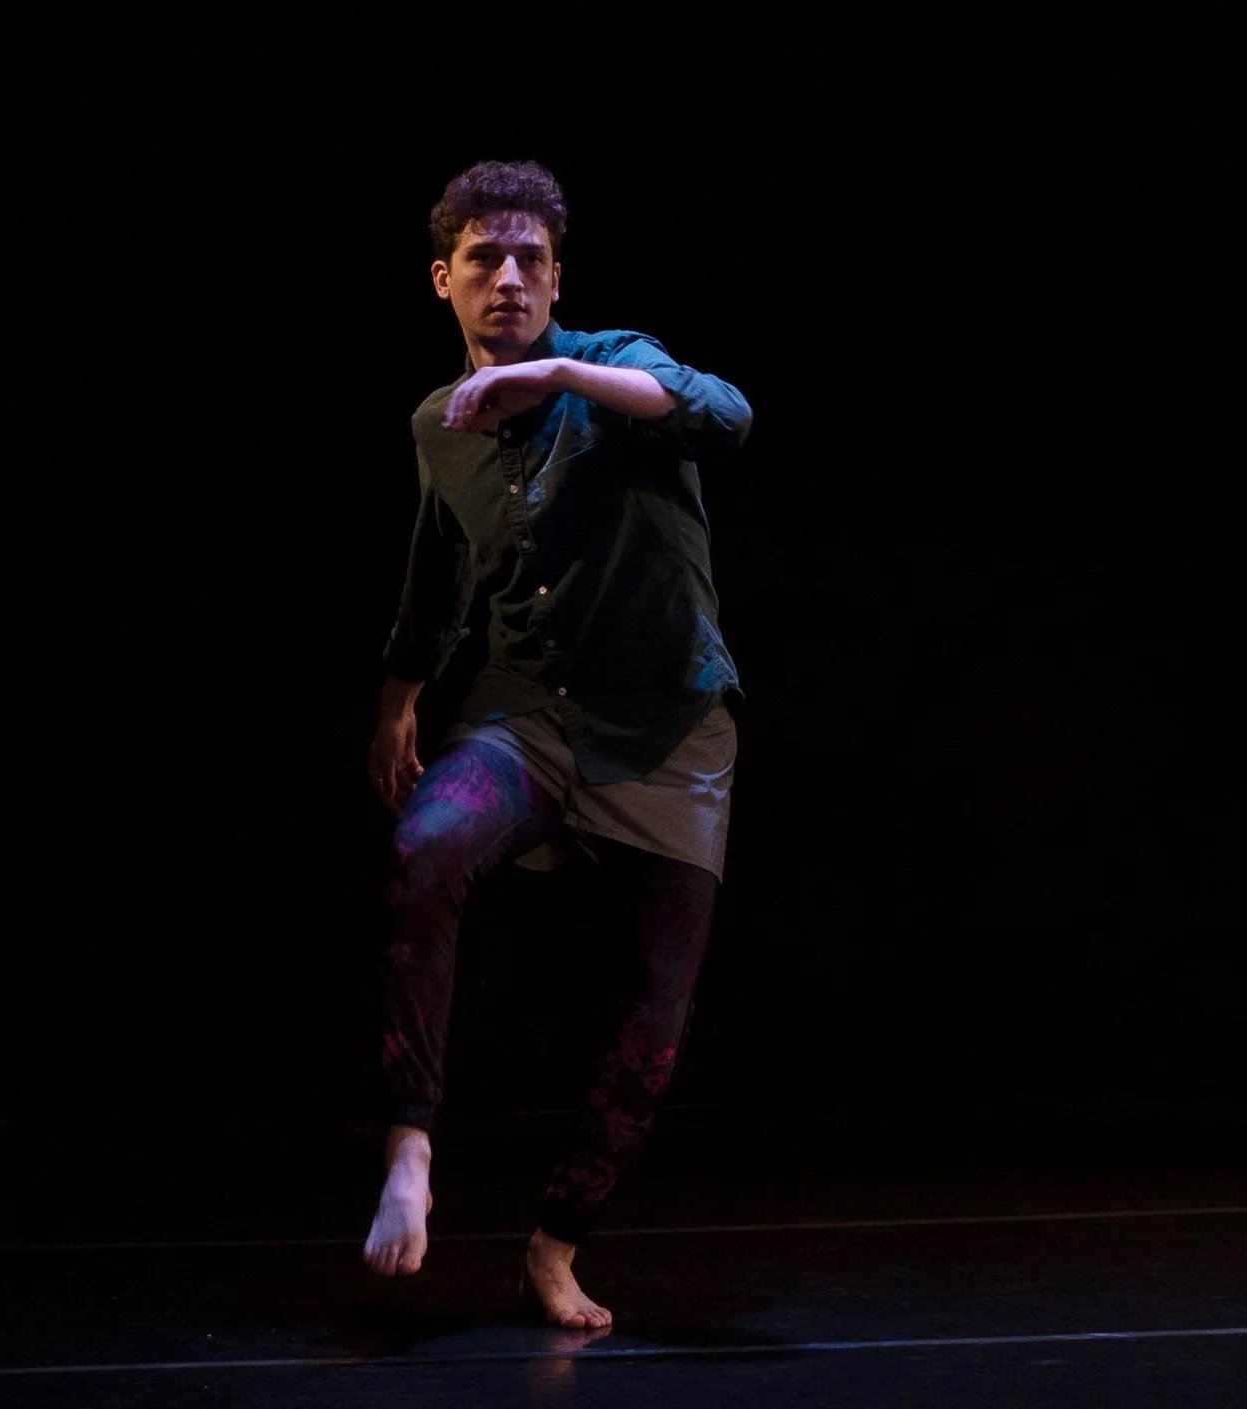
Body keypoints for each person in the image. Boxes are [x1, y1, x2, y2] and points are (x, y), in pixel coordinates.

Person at [360, 157, 753, 1331]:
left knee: (653, 1020)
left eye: (532, 259)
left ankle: (553, 1245)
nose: (512, 276)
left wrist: (556, 370)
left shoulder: (615, 367)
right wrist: (396, 699)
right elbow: (436, 577)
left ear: (558, 277)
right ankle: (410, 1145)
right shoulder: (440, 424)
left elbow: (725, 413)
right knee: (427, 843)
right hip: (530, 711)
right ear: (445, 279)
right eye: (486, 258)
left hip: (672, 726)